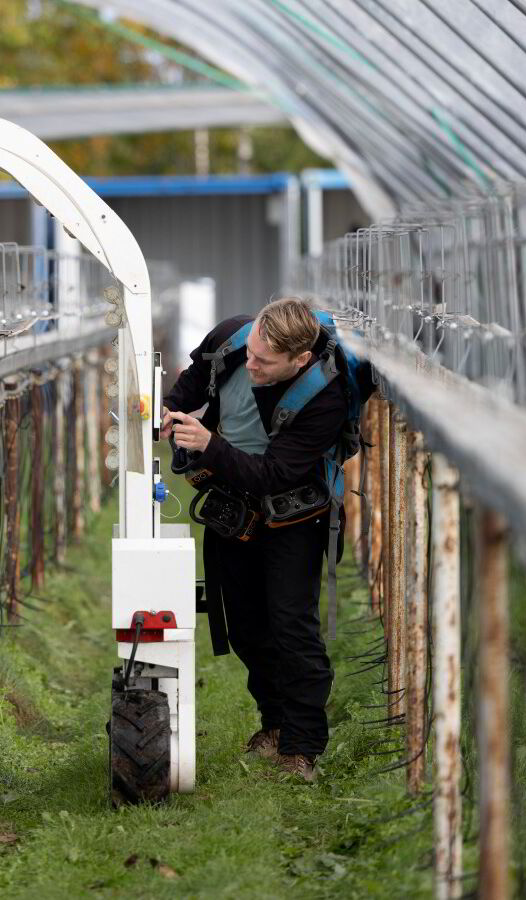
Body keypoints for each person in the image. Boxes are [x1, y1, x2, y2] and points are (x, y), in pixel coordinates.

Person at [160, 297, 353, 784]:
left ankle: (302, 746)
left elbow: (275, 474)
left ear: (299, 360)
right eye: (251, 352)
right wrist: (170, 416)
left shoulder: (324, 395)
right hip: (233, 506)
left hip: (295, 514)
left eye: (264, 363)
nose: (251, 364)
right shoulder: (231, 339)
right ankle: (273, 723)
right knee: (245, 626)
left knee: (292, 627)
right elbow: (185, 390)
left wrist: (209, 445)